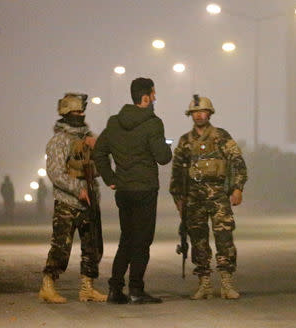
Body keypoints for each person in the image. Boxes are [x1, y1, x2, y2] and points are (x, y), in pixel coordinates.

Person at [94, 77, 172, 304]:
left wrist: (110, 178)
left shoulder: (114, 122)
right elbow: (163, 158)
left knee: (126, 239)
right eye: (153, 94)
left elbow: (99, 152)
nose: (155, 98)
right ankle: (136, 289)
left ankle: (115, 288)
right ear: (145, 97)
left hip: (124, 190)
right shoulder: (153, 123)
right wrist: (166, 145)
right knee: (142, 240)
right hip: (145, 189)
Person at [170, 95, 248, 300]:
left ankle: (226, 283)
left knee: (224, 238)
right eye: (195, 113)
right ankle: (204, 283)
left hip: (218, 196)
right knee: (198, 240)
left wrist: (237, 188)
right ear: (191, 115)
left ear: (210, 113)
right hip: (194, 198)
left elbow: (238, 162)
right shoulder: (185, 141)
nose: (199, 115)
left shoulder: (221, 136)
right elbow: (177, 171)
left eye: (202, 112)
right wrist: (178, 198)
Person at [39, 93, 107, 303]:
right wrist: (78, 190)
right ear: (66, 114)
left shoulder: (88, 138)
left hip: (89, 201)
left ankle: (87, 287)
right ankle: (48, 285)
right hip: (68, 202)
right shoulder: (59, 141)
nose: (80, 115)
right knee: (61, 247)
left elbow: (98, 168)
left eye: (81, 111)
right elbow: (55, 173)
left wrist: (96, 151)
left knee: (92, 247)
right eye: (76, 112)